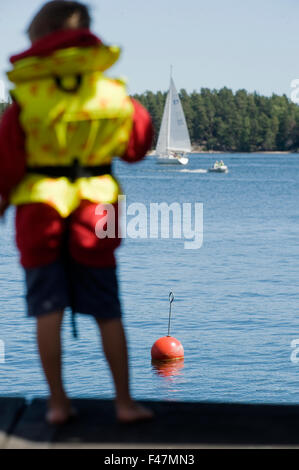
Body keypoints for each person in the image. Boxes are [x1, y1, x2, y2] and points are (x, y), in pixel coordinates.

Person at [0, 1, 154, 425]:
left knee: (47, 310)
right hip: (97, 212)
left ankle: (57, 404)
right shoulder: (113, 95)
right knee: (108, 309)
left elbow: (7, 166)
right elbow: (138, 147)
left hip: (39, 213)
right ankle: (125, 403)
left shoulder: (26, 100)